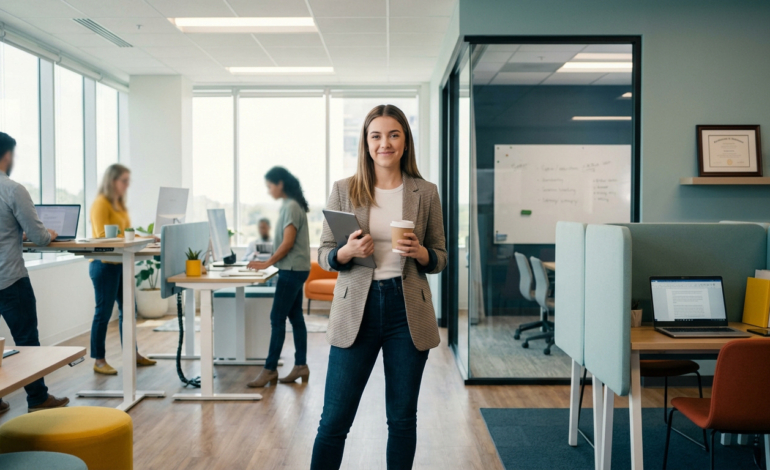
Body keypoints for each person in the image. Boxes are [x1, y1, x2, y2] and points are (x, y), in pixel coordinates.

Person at [310, 105, 447, 469]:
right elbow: (324, 253)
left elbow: (441, 256)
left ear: (405, 141)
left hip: (407, 312)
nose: (384, 143)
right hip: (358, 308)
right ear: (366, 143)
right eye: (376, 135)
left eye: (393, 134)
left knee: (402, 419)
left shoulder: (426, 192)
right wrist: (346, 251)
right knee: (334, 419)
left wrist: (421, 253)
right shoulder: (344, 189)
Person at [0, 132, 70, 414]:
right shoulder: (13, 189)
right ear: (6, 155)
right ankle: (38, 399)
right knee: (27, 340)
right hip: (9, 278)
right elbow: (40, 238)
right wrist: (46, 232)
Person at [246, 167, 311, 387]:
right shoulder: (291, 204)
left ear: (280, 184)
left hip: (291, 269)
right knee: (295, 318)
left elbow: (288, 242)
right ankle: (301, 365)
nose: (268, 191)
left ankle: (270, 369)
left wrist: (267, 263)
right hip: (297, 268)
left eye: (269, 186)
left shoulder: (291, 206)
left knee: (277, 318)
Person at [89, 164, 156, 375]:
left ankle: (132, 354)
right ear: (112, 181)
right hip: (104, 265)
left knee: (129, 310)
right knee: (103, 313)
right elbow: (102, 236)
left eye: (128, 181)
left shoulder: (119, 205)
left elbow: (127, 234)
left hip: (121, 264)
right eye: (124, 181)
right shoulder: (101, 204)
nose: (127, 185)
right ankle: (99, 360)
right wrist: (136, 238)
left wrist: (145, 238)